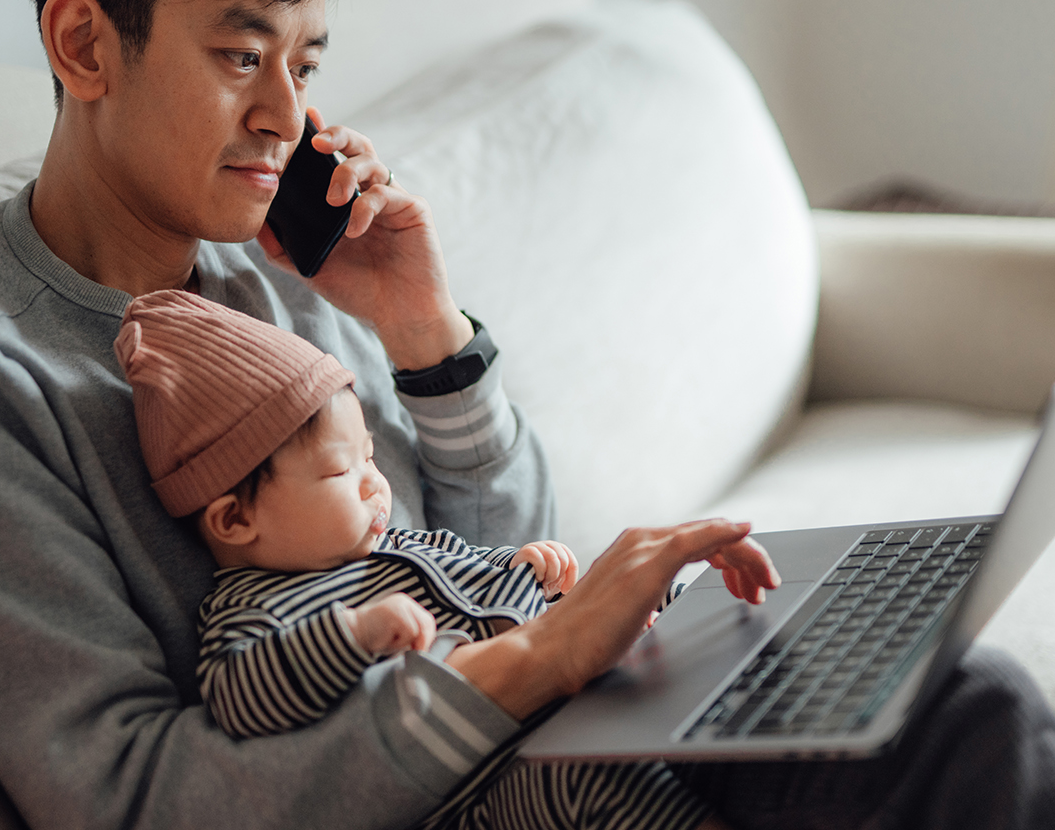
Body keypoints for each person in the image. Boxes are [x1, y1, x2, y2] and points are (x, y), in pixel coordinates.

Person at [0, 0, 1055, 828]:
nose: (285, 111)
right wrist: (532, 666)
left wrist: (419, 326)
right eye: (240, 55)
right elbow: (129, 797)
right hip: (435, 795)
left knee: (958, 706)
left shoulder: (266, 276)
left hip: (550, 736)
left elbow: (488, 550)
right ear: (83, 42)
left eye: (308, 62)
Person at [116, 288, 731, 830]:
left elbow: (480, 576)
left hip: (563, 706)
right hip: (483, 790)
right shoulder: (251, 608)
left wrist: (529, 570)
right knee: (585, 782)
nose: (374, 484)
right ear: (235, 519)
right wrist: (352, 636)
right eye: (340, 470)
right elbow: (241, 697)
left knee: (673, 602)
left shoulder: (404, 547)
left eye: (370, 458)